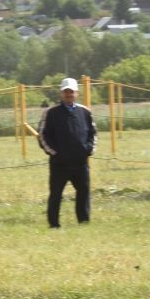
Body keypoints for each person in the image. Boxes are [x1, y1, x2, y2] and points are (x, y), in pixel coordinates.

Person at [38, 77, 95, 228]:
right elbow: (43, 135)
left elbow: (92, 133)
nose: (69, 94)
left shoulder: (85, 112)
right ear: (61, 93)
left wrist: (88, 149)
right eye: (66, 92)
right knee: (56, 195)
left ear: (77, 93)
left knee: (84, 192)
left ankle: (83, 222)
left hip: (80, 163)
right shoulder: (51, 113)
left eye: (71, 92)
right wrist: (55, 153)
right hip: (59, 164)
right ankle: (54, 224)